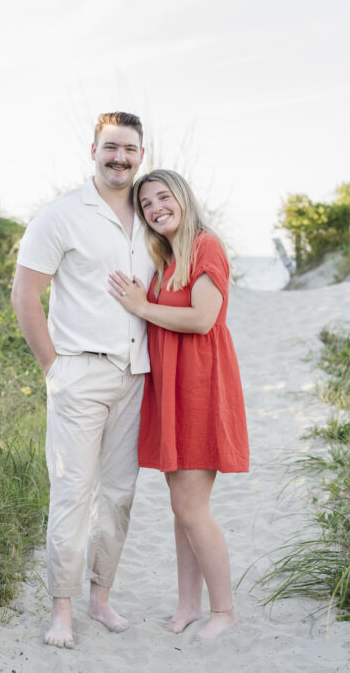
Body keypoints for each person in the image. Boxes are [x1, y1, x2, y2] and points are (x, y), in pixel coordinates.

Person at [11, 111, 155, 649]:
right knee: (72, 492)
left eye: (130, 149)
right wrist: (55, 369)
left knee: (119, 494)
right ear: (92, 149)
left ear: (142, 153)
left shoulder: (150, 213)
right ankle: (62, 612)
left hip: (136, 374)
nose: (120, 157)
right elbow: (25, 295)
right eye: (111, 147)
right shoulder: (61, 215)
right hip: (79, 372)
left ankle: (101, 598)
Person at [107, 169, 249, 641]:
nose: (155, 208)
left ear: (183, 199)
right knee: (180, 506)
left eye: (163, 198)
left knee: (192, 506)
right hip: (169, 388)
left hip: (200, 386)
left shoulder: (206, 245)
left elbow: (204, 318)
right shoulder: (165, 257)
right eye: (146, 204)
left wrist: (140, 306)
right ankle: (189, 603)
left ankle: (224, 612)